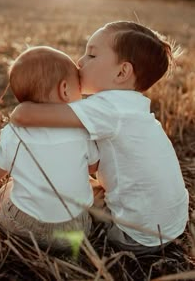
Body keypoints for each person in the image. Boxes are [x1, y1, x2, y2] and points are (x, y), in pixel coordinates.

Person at [10, 21, 189, 255]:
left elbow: (25, 115)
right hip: (171, 224)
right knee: (89, 185)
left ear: (122, 72)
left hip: (135, 235)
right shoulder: (133, 108)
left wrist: (27, 104)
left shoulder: (106, 108)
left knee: (48, 192)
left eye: (91, 55)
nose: (80, 62)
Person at [0, 46, 99, 249]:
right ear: (65, 90)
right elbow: (92, 168)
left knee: (6, 188)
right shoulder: (82, 130)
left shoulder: (13, 132)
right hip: (74, 230)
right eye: (79, 87)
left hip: (23, 226)